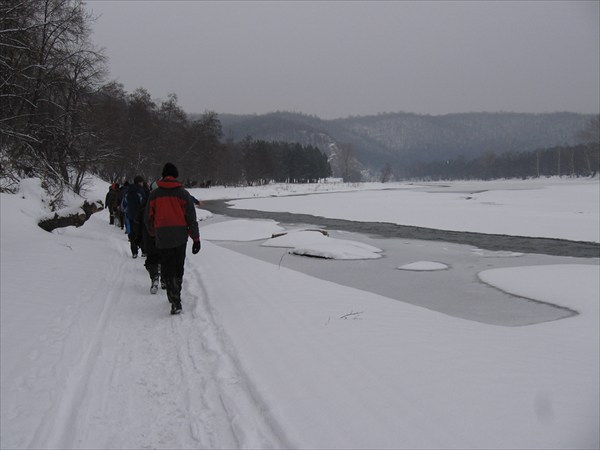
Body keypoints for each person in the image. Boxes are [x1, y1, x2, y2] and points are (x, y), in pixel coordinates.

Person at [146, 163, 201, 315]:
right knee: (178, 265)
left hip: (162, 235)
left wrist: (152, 232)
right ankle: (176, 294)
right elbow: (191, 218)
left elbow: (148, 217)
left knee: (167, 265)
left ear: (163, 176)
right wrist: (196, 238)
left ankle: (173, 297)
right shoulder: (183, 194)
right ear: (176, 175)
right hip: (179, 235)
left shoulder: (154, 195)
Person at [122, 176, 147, 258]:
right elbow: (143, 202)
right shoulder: (140, 191)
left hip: (130, 215)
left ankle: (134, 252)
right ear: (140, 182)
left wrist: (126, 211)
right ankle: (144, 251)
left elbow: (124, 203)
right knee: (142, 233)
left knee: (132, 234)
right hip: (140, 216)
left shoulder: (128, 191)